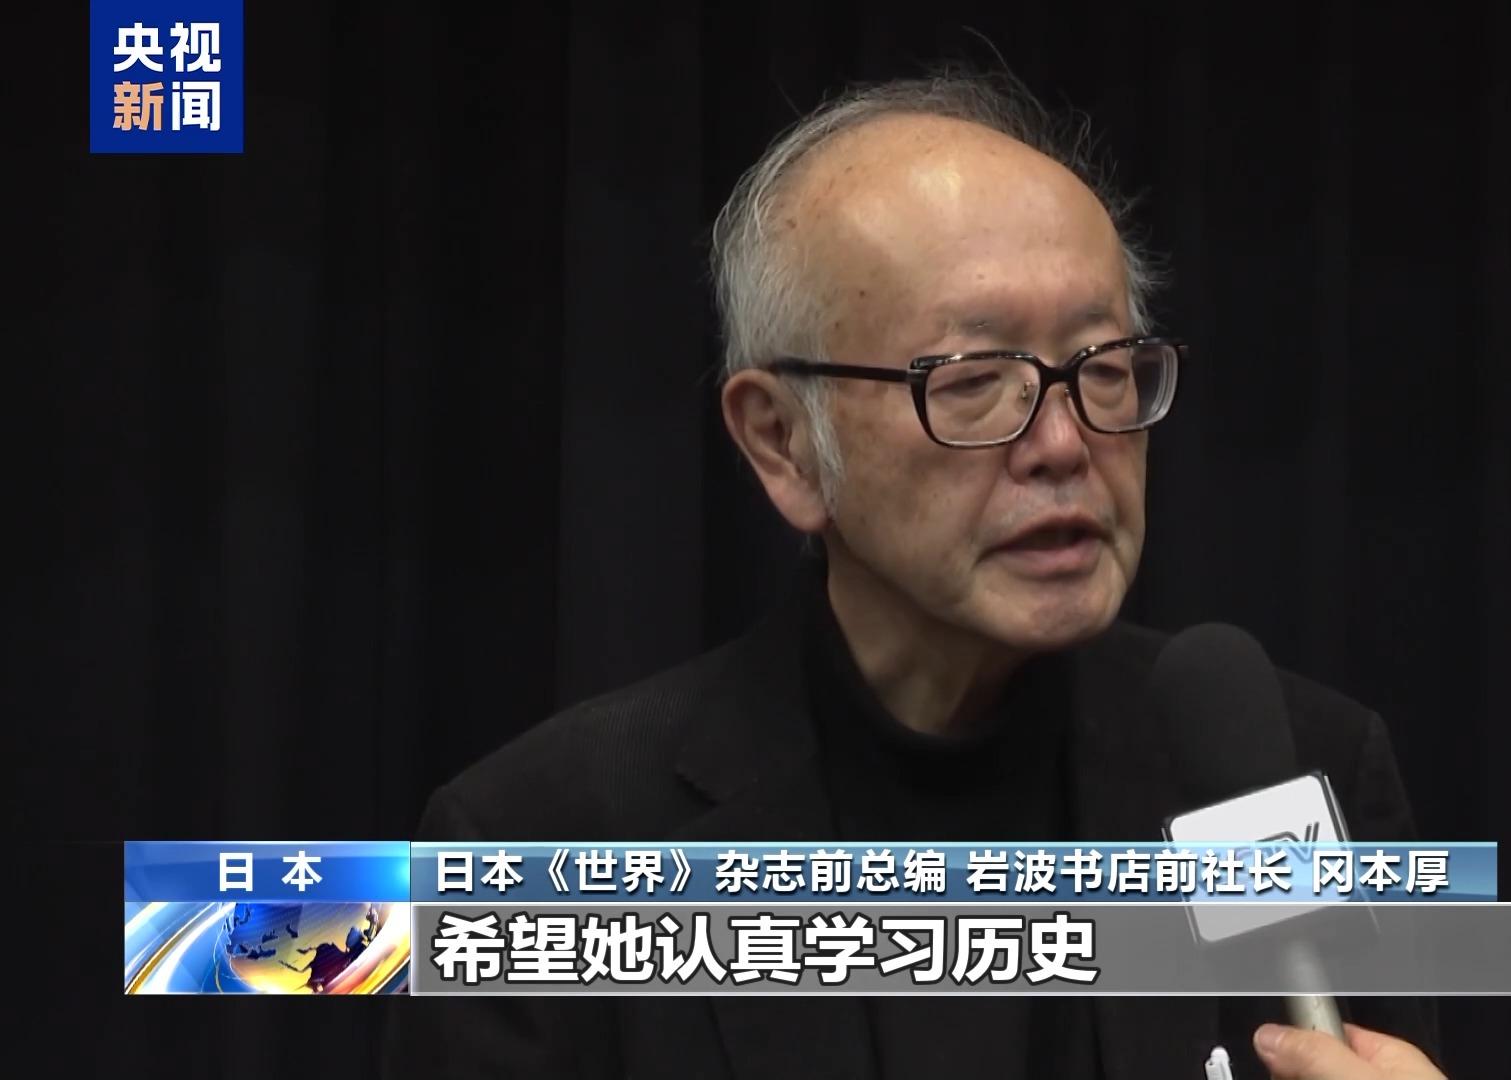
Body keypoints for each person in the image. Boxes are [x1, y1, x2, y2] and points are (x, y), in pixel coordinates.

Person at [383, 69, 1446, 1080]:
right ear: (783, 443)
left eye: (1104, 366)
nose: (1064, 443)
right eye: (976, 380)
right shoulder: (540, 847)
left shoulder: (1297, 776)